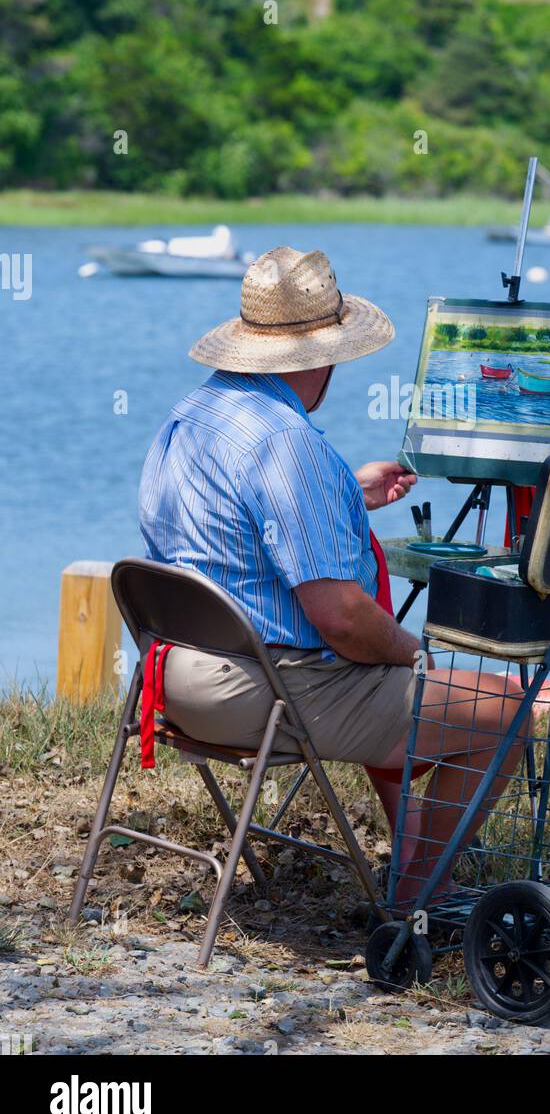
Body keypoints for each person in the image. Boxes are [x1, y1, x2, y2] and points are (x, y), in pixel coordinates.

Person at [139, 245, 527, 906]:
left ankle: (412, 858)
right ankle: (418, 896)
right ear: (320, 355)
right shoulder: (286, 442)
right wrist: (419, 657)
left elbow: (232, 527)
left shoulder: (192, 414)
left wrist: (343, 490)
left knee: (392, 679)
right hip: (261, 693)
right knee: (503, 711)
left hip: (173, 677)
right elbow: (342, 620)